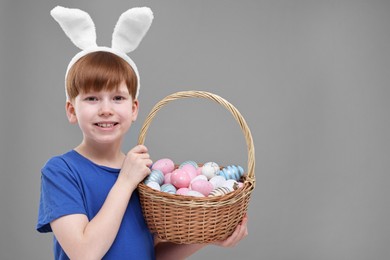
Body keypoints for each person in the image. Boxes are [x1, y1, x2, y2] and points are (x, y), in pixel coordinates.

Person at [37, 6, 248, 260]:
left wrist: (210, 237)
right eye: (92, 98)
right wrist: (125, 182)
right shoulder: (61, 171)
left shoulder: (146, 176)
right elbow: (85, 253)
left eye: (117, 98)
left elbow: (152, 254)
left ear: (134, 108)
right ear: (72, 110)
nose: (106, 110)